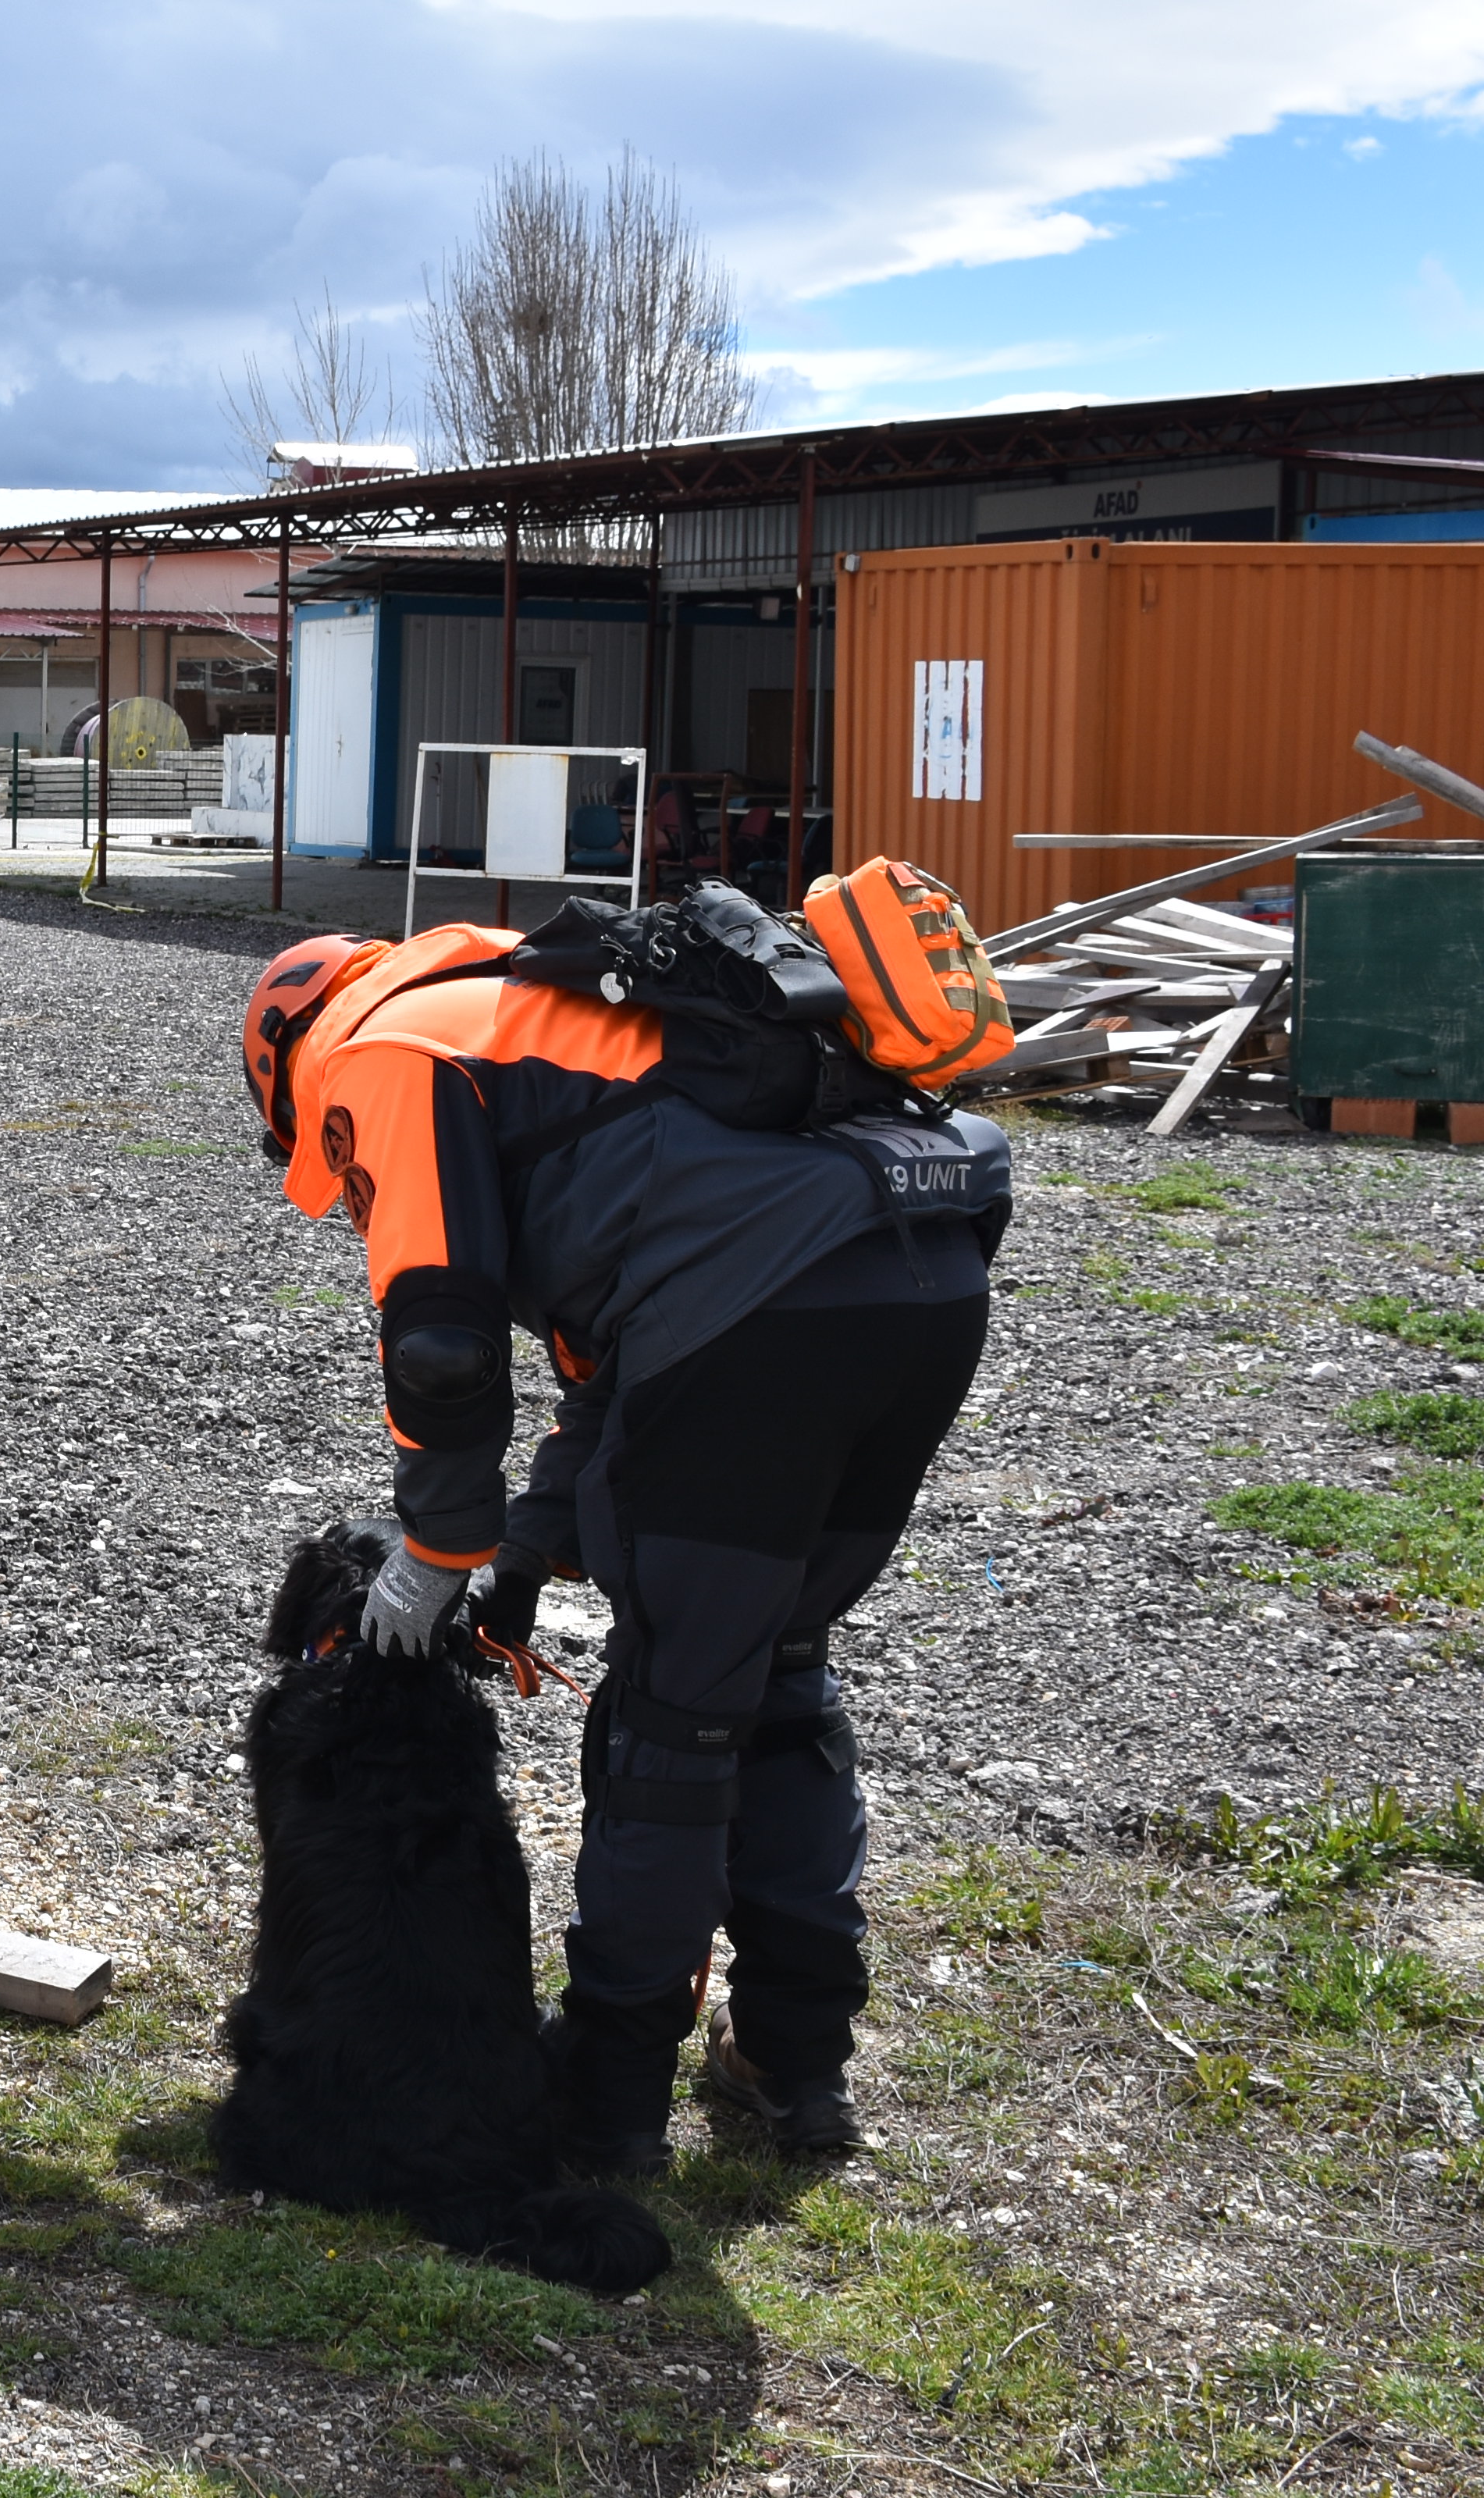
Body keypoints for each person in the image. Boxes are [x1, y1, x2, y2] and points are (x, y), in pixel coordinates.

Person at [240, 920, 1009, 2169]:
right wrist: (527, 1550)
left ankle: (608, 2103)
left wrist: (436, 1551)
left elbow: (440, 1346)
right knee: (777, 1677)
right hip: (923, 1281)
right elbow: (617, 1372)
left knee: (676, 1727)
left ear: (290, 1058)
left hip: (761, 1314)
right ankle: (793, 2068)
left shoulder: (389, 1049)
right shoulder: (584, 1024)